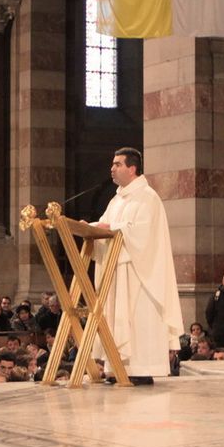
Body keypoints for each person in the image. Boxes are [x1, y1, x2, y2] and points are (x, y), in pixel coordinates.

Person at [90, 147, 184, 385]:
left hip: (140, 274)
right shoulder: (116, 199)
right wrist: (90, 228)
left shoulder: (148, 197)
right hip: (118, 271)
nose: (112, 168)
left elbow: (141, 233)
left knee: (137, 317)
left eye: (117, 164)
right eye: (112, 164)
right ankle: (118, 368)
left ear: (132, 169)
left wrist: (110, 228)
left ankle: (140, 369)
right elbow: (105, 224)